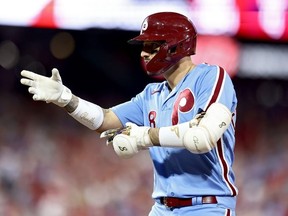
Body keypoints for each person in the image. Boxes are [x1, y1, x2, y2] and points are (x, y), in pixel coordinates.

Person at [20, 12, 238, 216]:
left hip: (207, 206)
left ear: (175, 46)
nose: (143, 52)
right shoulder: (151, 93)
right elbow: (105, 120)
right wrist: (66, 100)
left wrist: (145, 136)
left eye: (152, 45)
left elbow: (201, 138)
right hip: (162, 208)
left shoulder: (210, 77)